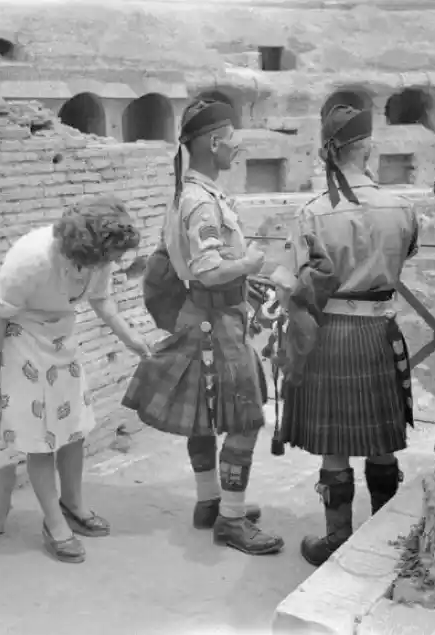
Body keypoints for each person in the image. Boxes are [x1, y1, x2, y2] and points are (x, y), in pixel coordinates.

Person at [123, 98, 284, 556]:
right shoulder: (202, 202)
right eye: (231, 139)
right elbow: (210, 270)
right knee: (245, 417)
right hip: (217, 322)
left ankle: (209, 501)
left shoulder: (185, 195)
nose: (236, 147)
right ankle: (231, 520)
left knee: (205, 415)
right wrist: (250, 262)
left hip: (201, 317)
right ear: (214, 143)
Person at [271, 104, 419, 567]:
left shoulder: (313, 213)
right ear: (368, 147)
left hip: (331, 332)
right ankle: (383, 535)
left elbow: (287, 280)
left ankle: (337, 539)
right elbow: (406, 254)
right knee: (380, 439)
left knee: (336, 444)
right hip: (379, 330)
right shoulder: (403, 207)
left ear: (326, 153)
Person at [0, 195, 151, 564]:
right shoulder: (32, 257)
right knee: (41, 439)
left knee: (72, 429)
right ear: (87, 248)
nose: (115, 263)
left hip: (61, 340)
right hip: (23, 341)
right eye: (111, 257)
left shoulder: (98, 257)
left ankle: (73, 504)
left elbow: (102, 300)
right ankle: (54, 523)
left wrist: (129, 336)